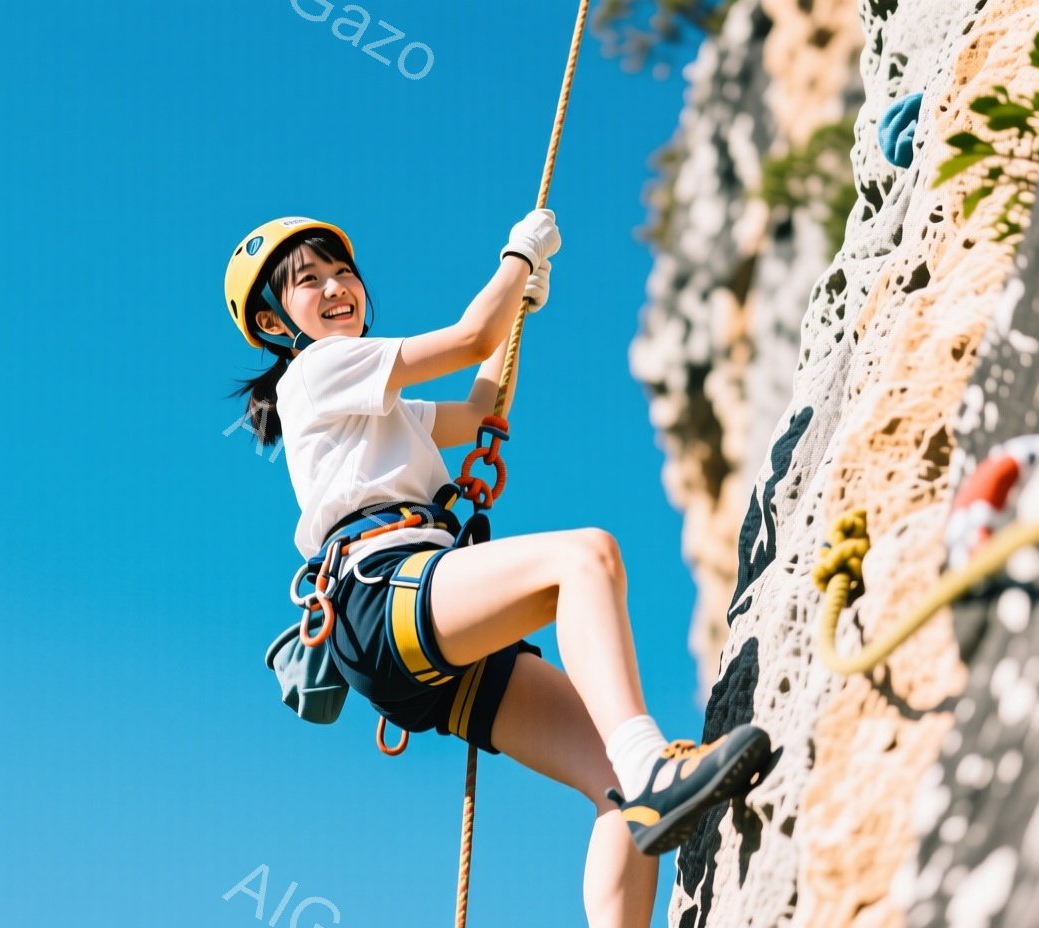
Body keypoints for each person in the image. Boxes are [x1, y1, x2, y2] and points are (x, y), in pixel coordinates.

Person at [224, 211, 772, 928]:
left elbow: (481, 410)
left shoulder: (379, 404)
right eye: (308, 280)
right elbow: (467, 339)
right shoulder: (317, 370)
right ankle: (653, 766)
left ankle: (643, 782)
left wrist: (519, 307)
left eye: (342, 272)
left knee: (613, 782)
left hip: (401, 620)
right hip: (381, 590)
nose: (334, 287)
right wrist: (518, 257)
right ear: (273, 323)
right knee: (584, 557)